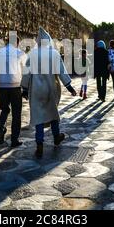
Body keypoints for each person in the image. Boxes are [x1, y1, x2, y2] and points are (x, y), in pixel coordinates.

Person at [21, 27, 77, 159]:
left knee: (38, 117)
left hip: (36, 90)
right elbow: (62, 72)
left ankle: (39, 144)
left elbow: (26, 74)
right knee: (53, 114)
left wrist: (24, 89)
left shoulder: (32, 55)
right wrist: (70, 87)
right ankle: (56, 136)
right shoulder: (54, 54)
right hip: (51, 89)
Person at [0, 34, 26, 148]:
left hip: (2, 87)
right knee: (16, 114)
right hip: (16, 87)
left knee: (4, 110)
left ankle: (1, 129)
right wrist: (26, 88)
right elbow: (27, 72)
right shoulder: (20, 53)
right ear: (17, 43)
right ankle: (14, 139)